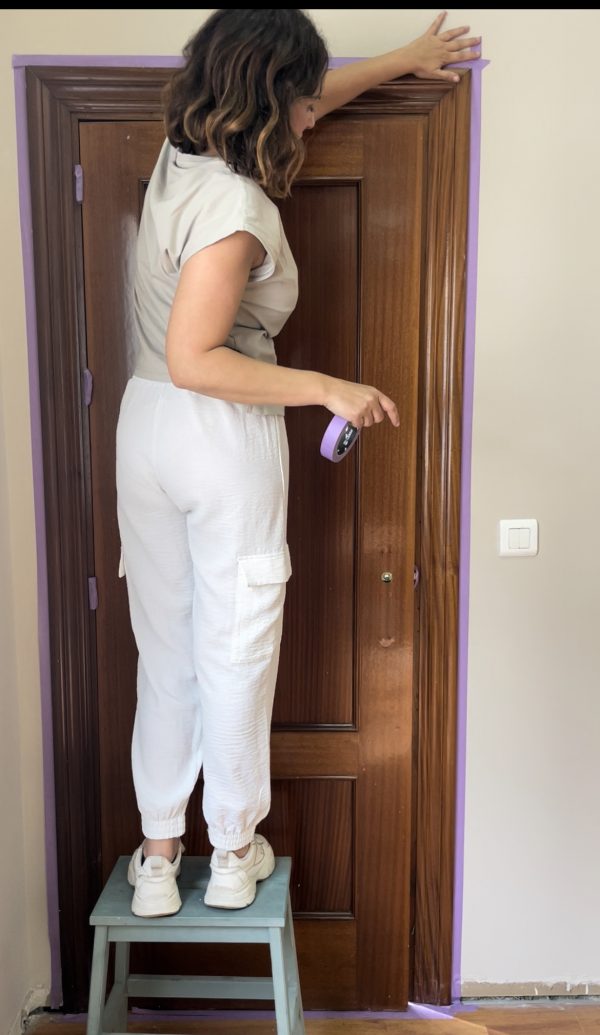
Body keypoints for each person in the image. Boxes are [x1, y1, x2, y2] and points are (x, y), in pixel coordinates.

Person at [116, 7, 481, 918]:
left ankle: (158, 854)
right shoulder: (236, 209)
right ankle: (233, 849)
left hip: (146, 429)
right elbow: (198, 357)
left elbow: (312, 95)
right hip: (217, 428)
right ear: (265, 98)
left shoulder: (181, 154)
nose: (314, 118)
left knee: (167, 651)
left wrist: (403, 60)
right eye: (304, 103)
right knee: (235, 644)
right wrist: (328, 387)